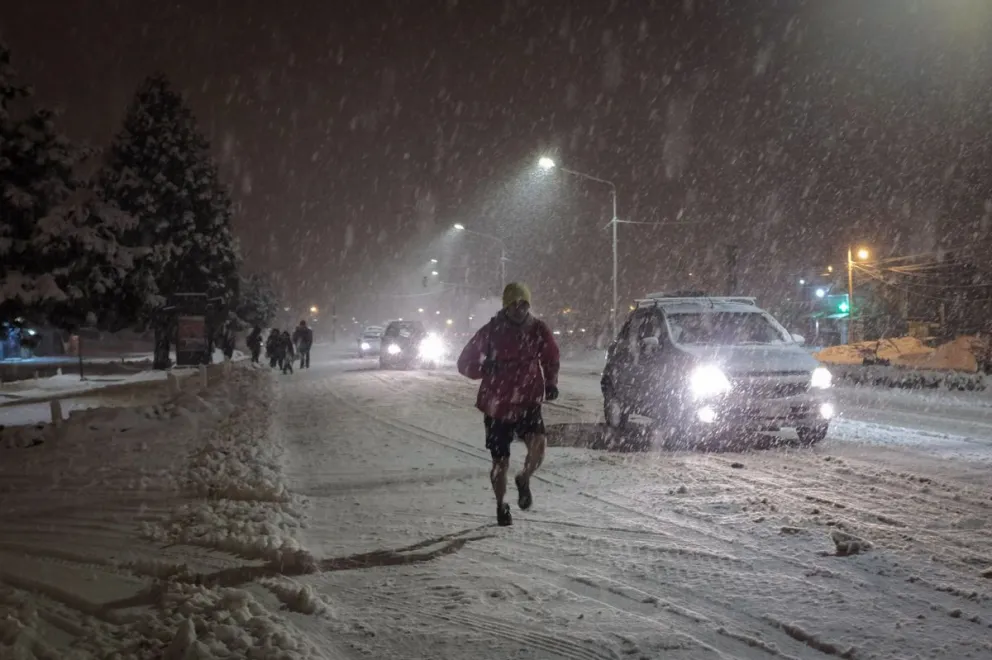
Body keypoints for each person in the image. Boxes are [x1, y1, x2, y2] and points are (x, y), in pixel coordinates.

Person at [457, 282, 560, 527]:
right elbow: (464, 362)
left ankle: (524, 478)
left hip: (528, 401)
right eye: (514, 303)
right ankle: (501, 505)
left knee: (539, 447)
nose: (519, 308)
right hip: (497, 405)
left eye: (524, 303)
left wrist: (551, 382)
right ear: (505, 305)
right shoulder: (491, 331)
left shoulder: (537, 329)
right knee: (500, 462)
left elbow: (551, 356)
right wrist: (483, 368)